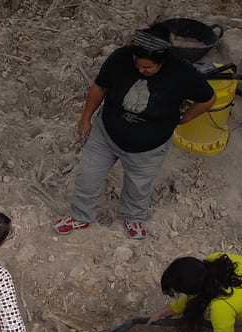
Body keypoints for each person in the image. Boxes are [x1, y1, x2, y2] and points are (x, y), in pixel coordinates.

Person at [55, 28, 215, 239]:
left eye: (148, 67)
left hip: (149, 147)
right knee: (88, 176)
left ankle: (133, 217)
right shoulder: (120, 58)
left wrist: (184, 118)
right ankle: (80, 216)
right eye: (138, 64)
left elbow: (208, 99)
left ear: (162, 61)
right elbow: (99, 87)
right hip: (107, 133)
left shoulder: (182, 72)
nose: (142, 70)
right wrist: (85, 118)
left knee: (139, 186)